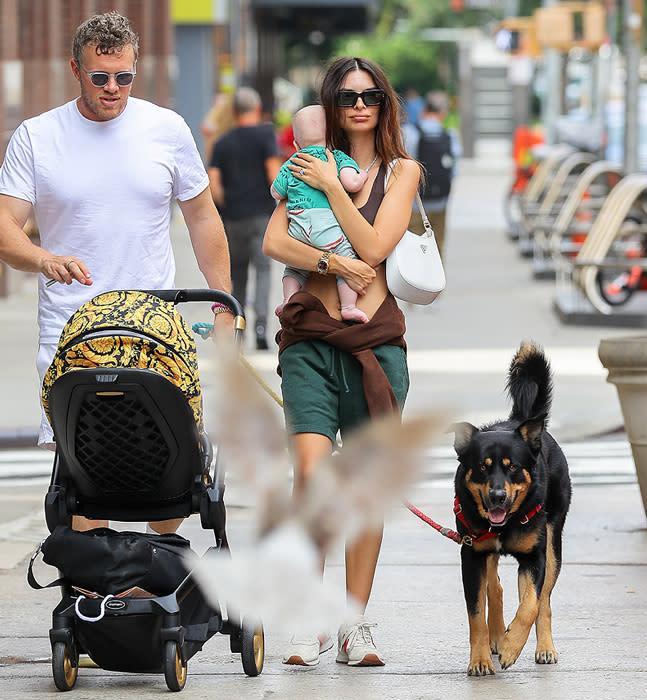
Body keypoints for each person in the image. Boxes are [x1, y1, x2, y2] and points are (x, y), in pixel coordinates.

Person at [0, 11, 232, 533]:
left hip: (153, 327)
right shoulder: (38, 137)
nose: (112, 88)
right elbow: (4, 228)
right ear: (75, 70)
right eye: (100, 76)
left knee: (170, 455)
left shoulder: (166, 129)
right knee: (85, 469)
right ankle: (99, 590)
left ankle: (154, 583)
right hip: (70, 329)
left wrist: (224, 309)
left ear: (135, 69)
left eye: (123, 77)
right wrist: (43, 259)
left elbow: (202, 217)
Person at [262, 56, 420, 667]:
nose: (360, 105)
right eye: (348, 95)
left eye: (372, 95)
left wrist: (332, 188)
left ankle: (355, 624)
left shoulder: (402, 172)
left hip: (375, 347)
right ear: (330, 104)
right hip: (309, 339)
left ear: (385, 104)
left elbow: (376, 246)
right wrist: (330, 263)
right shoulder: (308, 160)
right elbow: (276, 241)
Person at [271, 104, 371, 323]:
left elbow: (276, 192)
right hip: (327, 229)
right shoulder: (335, 157)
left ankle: (288, 299)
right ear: (332, 137)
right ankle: (348, 306)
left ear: (296, 143)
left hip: (298, 230)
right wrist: (362, 175)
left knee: (293, 268)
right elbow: (351, 183)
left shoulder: (292, 163)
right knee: (347, 257)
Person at [208, 87, 280, 350]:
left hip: (233, 218)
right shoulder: (265, 134)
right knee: (262, 270)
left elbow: (213, 182)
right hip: (261, 215)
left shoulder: (222, 142)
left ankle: (239, 327)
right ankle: (261, 327)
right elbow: (274, 173)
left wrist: (228, 204)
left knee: (236, 273)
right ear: (257, 109)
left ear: (234, 111)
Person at [402, 90, 461, 262]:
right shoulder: (450, 136)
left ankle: (414, 287)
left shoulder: (409, 133)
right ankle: (436, 287)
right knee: (438, 246)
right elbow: (453, 170)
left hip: (414, 205)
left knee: (414, 249)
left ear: (424, 109)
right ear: (443, 112)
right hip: (441, 202)